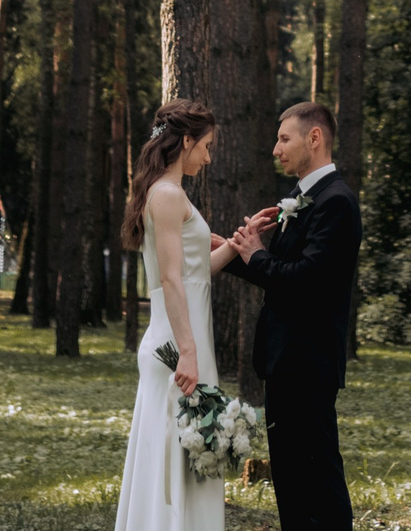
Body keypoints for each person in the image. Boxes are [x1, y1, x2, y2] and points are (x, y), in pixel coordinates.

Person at [224, 101, 361, 531]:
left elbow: (307, 279)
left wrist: (257, 255)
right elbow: (279, 274)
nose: (276, 149)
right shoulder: (306, 198)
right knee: (291, 477)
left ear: (314, 138)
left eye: (284, 139)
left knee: (318, 475)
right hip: (285, 360)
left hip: (309, 362)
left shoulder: (336, 202)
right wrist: (228, 251)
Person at [113, 99, 246, 531]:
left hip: (182, 340)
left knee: (179, 462)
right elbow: (170, 280)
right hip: (177, 345)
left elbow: (192, 273)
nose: (207, 158)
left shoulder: (166, 193)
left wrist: (239, 244)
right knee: (174, 465)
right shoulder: (168, 195)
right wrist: (188, 352)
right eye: (206, 146)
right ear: (186, 141)